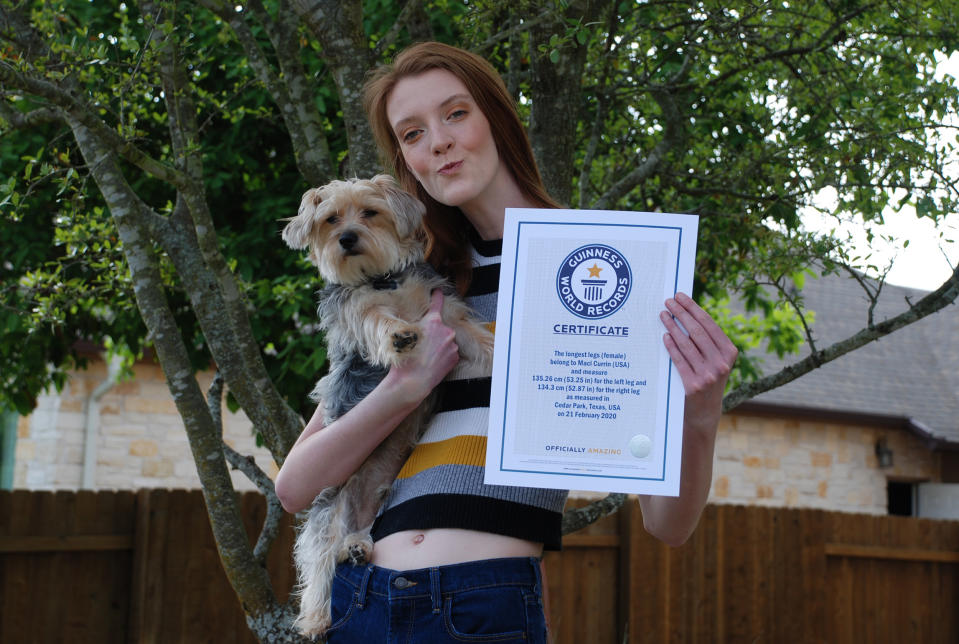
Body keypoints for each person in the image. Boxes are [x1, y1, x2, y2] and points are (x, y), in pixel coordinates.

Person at [275, 41, 738, 642]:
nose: (436, 141)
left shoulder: (609, 270)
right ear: (405, 164)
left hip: (482, 604)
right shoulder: (415, 289)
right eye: (411, 133)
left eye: (456, 113)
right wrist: (404, 388)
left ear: (498, 117)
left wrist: (699, 416)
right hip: (358, 601)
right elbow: (295, 485)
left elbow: (669, 526)